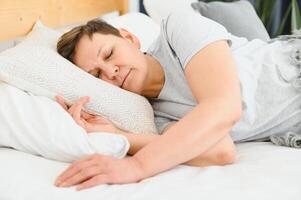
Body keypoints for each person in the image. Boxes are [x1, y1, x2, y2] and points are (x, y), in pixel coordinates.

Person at [54, 10, 301, 190]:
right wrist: (118, 134)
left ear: (129, 38)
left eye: (108, 54)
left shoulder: (177, 29)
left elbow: (224, 106)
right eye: (97, 75)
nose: (111, 72)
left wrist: (137, 166)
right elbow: (221, 152)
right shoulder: (159, 118)